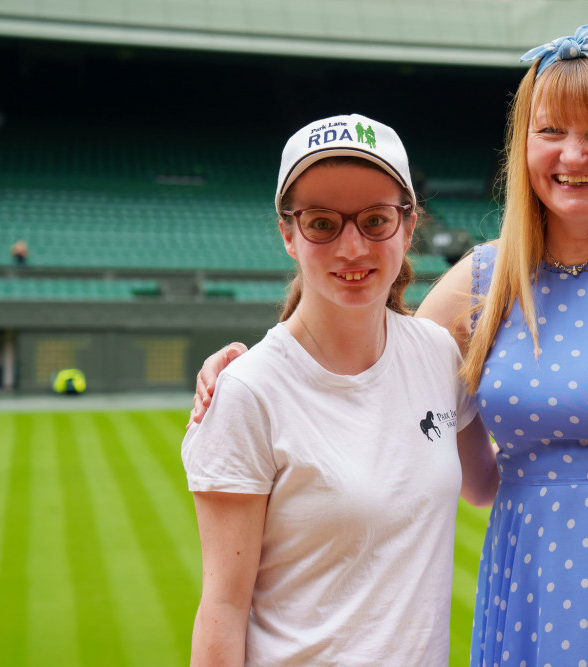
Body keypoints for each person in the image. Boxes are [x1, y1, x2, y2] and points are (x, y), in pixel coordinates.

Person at [191, 25, 588, 667]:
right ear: (523, 144)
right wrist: (255, 368)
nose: (573, 155)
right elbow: (372, 336)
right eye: (551, 131)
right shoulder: (487, 278)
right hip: (530, 581)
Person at [181, 113, 497, 666]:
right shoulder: (247, 393)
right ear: (288, 233)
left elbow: (486, 484)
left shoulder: (436, 354)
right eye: (322, 223)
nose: (352, 248)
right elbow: (223, 609)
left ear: (408, 224)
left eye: (375, 220)